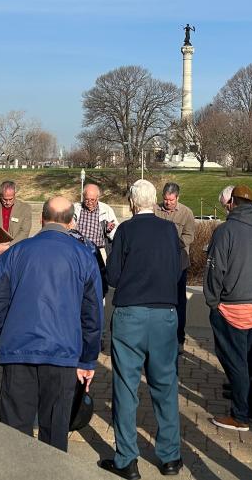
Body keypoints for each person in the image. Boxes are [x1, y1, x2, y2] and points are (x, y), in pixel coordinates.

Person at [0, 196, 103, 452]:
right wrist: (87, 359)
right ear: (71, 222)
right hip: (63, 353)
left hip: (19, 350)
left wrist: (4, 335)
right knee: (55, 430)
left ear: (41, 218)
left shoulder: (16, 251)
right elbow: (92, 314)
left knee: (15, 430)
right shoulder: (84, 255)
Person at [99, 180, 183, 479]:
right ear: (155, 201)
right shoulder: (169, 230)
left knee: (125, 386)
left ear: (133, 204)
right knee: (165, 384)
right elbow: (178, 269)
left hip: (131, 314)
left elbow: (113, 276)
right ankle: (170, 457)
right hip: (164, 313)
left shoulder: (125, 230)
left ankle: (127, 458)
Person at [204, 184, 252, 431]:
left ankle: (240, 415)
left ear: (232, 203)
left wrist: (213, 302)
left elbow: (215, 270)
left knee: (236, 363)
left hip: (230, 306)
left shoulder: (226, 231)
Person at [154, 182, 196, 352]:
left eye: (171, 200)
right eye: (165, 200)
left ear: (177, 197)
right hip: (158, 264)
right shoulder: (155, 210)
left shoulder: (186, 213)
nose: (168, 203)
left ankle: (179, 338)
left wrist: (171, 243)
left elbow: (189, 236)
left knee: (179, 302)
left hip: (178, 263)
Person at [0, 180, 32, 256]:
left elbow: (24, 232)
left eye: (11, 199)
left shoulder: (25, 208)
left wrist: (8, 246)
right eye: (5, 199)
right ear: (0, 195)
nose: (8, 202)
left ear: (15, 195)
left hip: (15, 251)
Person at [73, 183, 118, 262]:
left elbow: (116, 235)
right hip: (78, 250)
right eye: (87, 199)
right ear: (83, 197)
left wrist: (109, 230)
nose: (89, 202)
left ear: (98, 198)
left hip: (98, 251)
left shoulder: (106, 210)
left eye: (92, 200)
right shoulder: (75, 208)